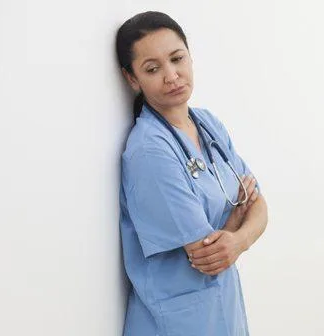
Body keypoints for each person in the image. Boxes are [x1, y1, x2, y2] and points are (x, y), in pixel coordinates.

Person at [116, 11, 268, 336]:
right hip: (175, 322)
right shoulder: (149, 151)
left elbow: (259, 205)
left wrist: (236, 240)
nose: (171, 76)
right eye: (153, 69)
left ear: (190, 57)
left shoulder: (208, 124)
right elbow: (207, 255)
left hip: (223, 309)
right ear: (132, 79)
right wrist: (236, 223)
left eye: (177, 59)